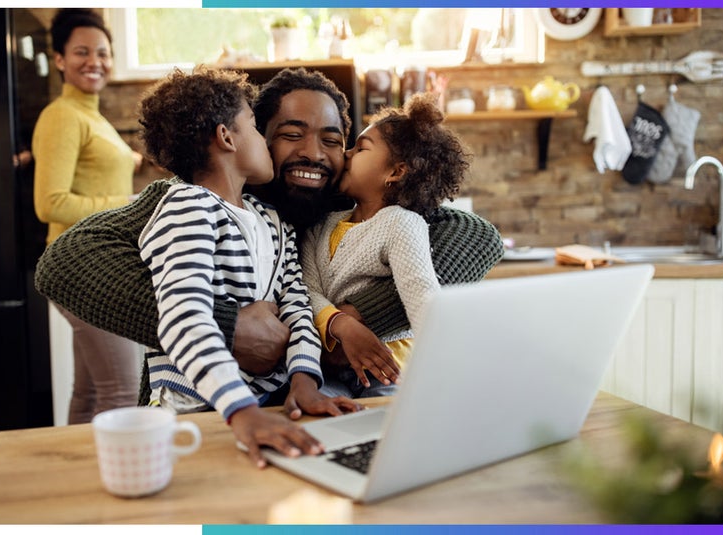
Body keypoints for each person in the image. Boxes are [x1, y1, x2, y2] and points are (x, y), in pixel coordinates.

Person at [34, 67, 504, 403]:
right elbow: (65, 262)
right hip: (205, 408)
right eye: (291, 134)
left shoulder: (349, 205)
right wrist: (227, 326)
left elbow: (476, 235)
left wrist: (352, 319)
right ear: (251, 136)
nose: (313, 153)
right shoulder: (193, 196)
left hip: (321, 402)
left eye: (334, 140)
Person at [135, 66, 360, 466]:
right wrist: (242, 411)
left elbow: (297, 307)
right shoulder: (186, 207)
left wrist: (305, 381)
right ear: (226, 137)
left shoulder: (272, 221)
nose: (310, 150)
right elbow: (183, 317)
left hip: (263, 409)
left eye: (331, 139)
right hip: (197, 410)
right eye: (258, 128)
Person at [301, 93, 469, 397]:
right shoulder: (320, 225)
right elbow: (308, 292)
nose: (347, 154)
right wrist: (340, 323)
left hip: (389, 368)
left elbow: (422, 297)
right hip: (329, 368)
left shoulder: (400, 223)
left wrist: (449, 370)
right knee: (322, 419)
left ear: (396, 171)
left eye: (361, 148)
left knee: (389, 431)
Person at [32, 8, 143, 424]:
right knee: (123, 389)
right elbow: (51, 203)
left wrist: (128, 159)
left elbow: (91, 170)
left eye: (102, 52)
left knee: (91, 390)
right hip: (81, 269)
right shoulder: (62, 116)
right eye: (81, 52)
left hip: (89, 266)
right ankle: (115, 483)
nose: (94, 61)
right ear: (59, 58)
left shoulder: (89, 116)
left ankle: (69, 481)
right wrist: (131, 204)